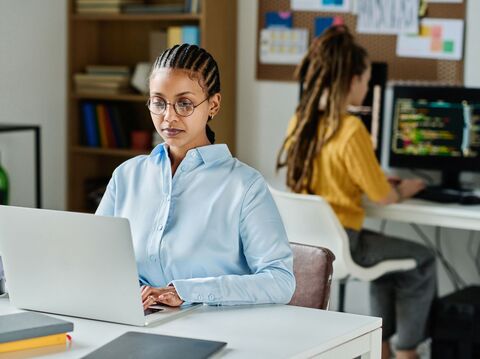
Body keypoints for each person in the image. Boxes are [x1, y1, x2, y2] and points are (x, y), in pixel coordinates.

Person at [277, 25, 436, 359]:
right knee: (423, 260)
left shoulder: (302, 122)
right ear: (352, 81)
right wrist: (406, 188)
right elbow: (383, 197)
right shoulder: (351, 130)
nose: (367, 87)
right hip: (346, 243)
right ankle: (407, 349)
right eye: (365, 80)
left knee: (390, 263)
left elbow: (326, 176)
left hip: (305, 248)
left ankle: (381, 345)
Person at [97, 44, 295, 309]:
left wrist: (188, 291)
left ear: (213, 105)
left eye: (184, 104)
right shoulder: (126, 176)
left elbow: (280, 282)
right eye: (158, 103)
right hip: (139, 321)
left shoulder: (244, 186)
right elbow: (95, 259)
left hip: (215, 329)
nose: (168, 117)